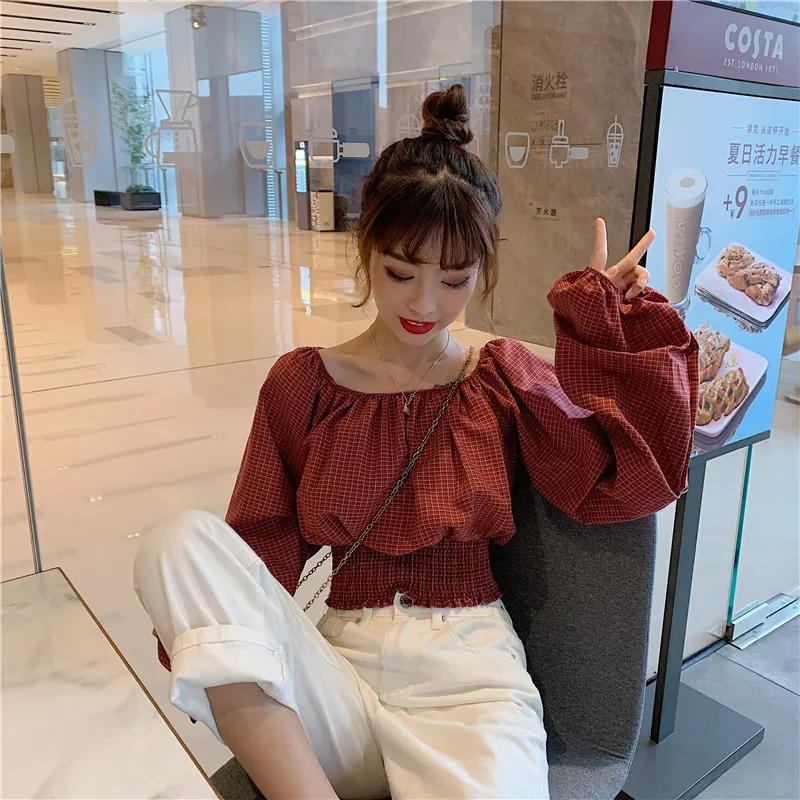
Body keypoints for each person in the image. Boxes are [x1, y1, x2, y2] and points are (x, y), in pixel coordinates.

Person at [134, 84, 698, 800]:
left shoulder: (501, 378)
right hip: (337, 673)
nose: (425, 304)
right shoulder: (303, 384)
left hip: (468, 679)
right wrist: (222, 640)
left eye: (455, 280)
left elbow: (623, 481)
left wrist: (605, 330)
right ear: (365, 248)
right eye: (401, 272)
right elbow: (257, 555)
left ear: (482, 271)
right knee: (175, 545)